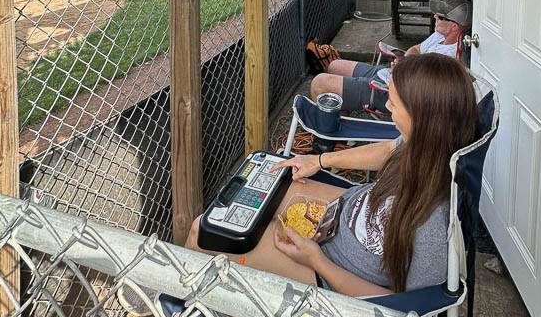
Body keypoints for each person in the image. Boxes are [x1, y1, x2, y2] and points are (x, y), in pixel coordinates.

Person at [186, 53, 478, 298]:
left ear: (424, 119)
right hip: (339, 213)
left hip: (328, 270)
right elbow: (390, 149)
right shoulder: (431, 148)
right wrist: (319, 161)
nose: (387, 108)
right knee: (268, 183)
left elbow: (408, 309)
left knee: (204, 230)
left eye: (394, 104)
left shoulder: (433, 225)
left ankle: (177, 299)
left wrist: (317, 262)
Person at [311, 0, 471, 114]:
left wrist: (404, 68)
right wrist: (404, 63)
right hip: (390, 74)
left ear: (454, 27)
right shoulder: (441, 34)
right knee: (334, 65)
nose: (435, 16)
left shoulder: (450, 58)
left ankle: (325, 144)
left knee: (319, 84)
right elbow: (415, 49)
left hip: (391, 91)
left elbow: (422, 89)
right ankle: (341, 127)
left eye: (441, 17)